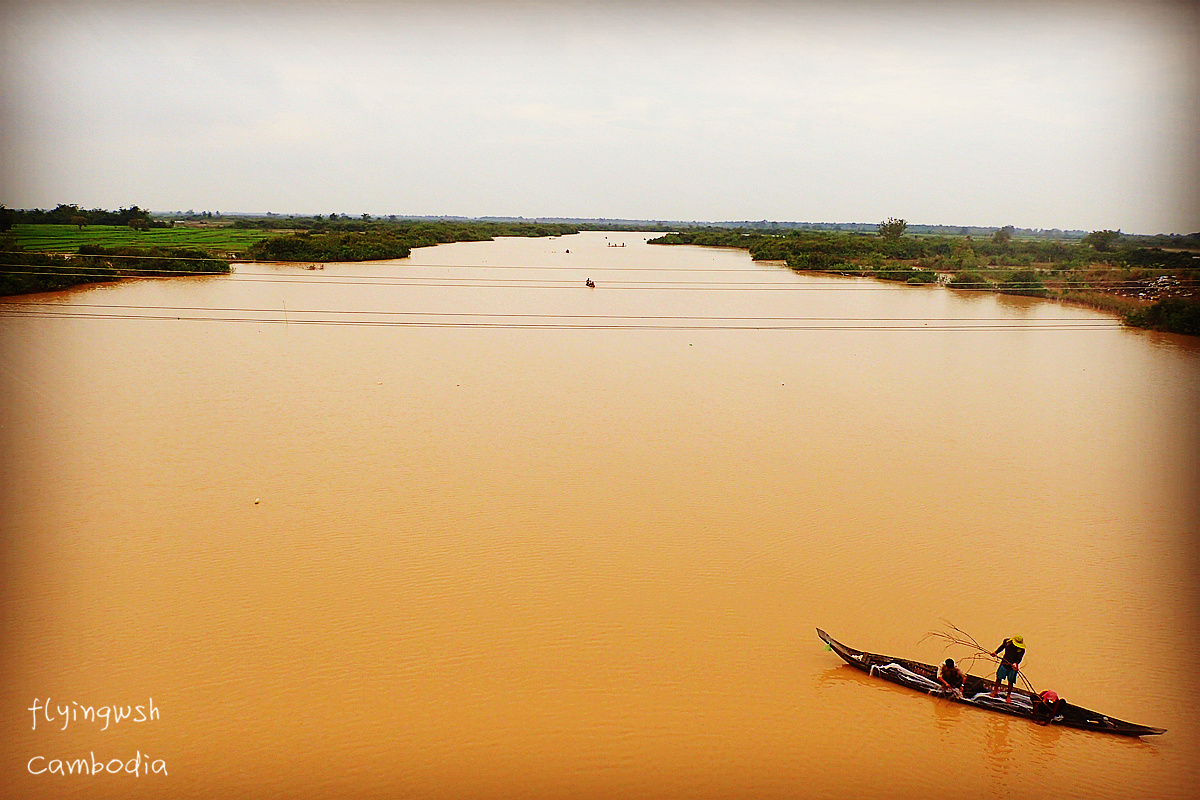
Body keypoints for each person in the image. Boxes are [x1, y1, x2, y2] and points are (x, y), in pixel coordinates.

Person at [989, 634, 1026, 702]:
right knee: (999, 678)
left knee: (1010, 681)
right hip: (1004, 663)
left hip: (1013, 667)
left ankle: (1008, 695)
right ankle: (995, 691)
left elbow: (1019, 659)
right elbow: (1002, 647)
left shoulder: (1021, 650)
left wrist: (1016, 664)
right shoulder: (1007, 642)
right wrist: (995, 652)